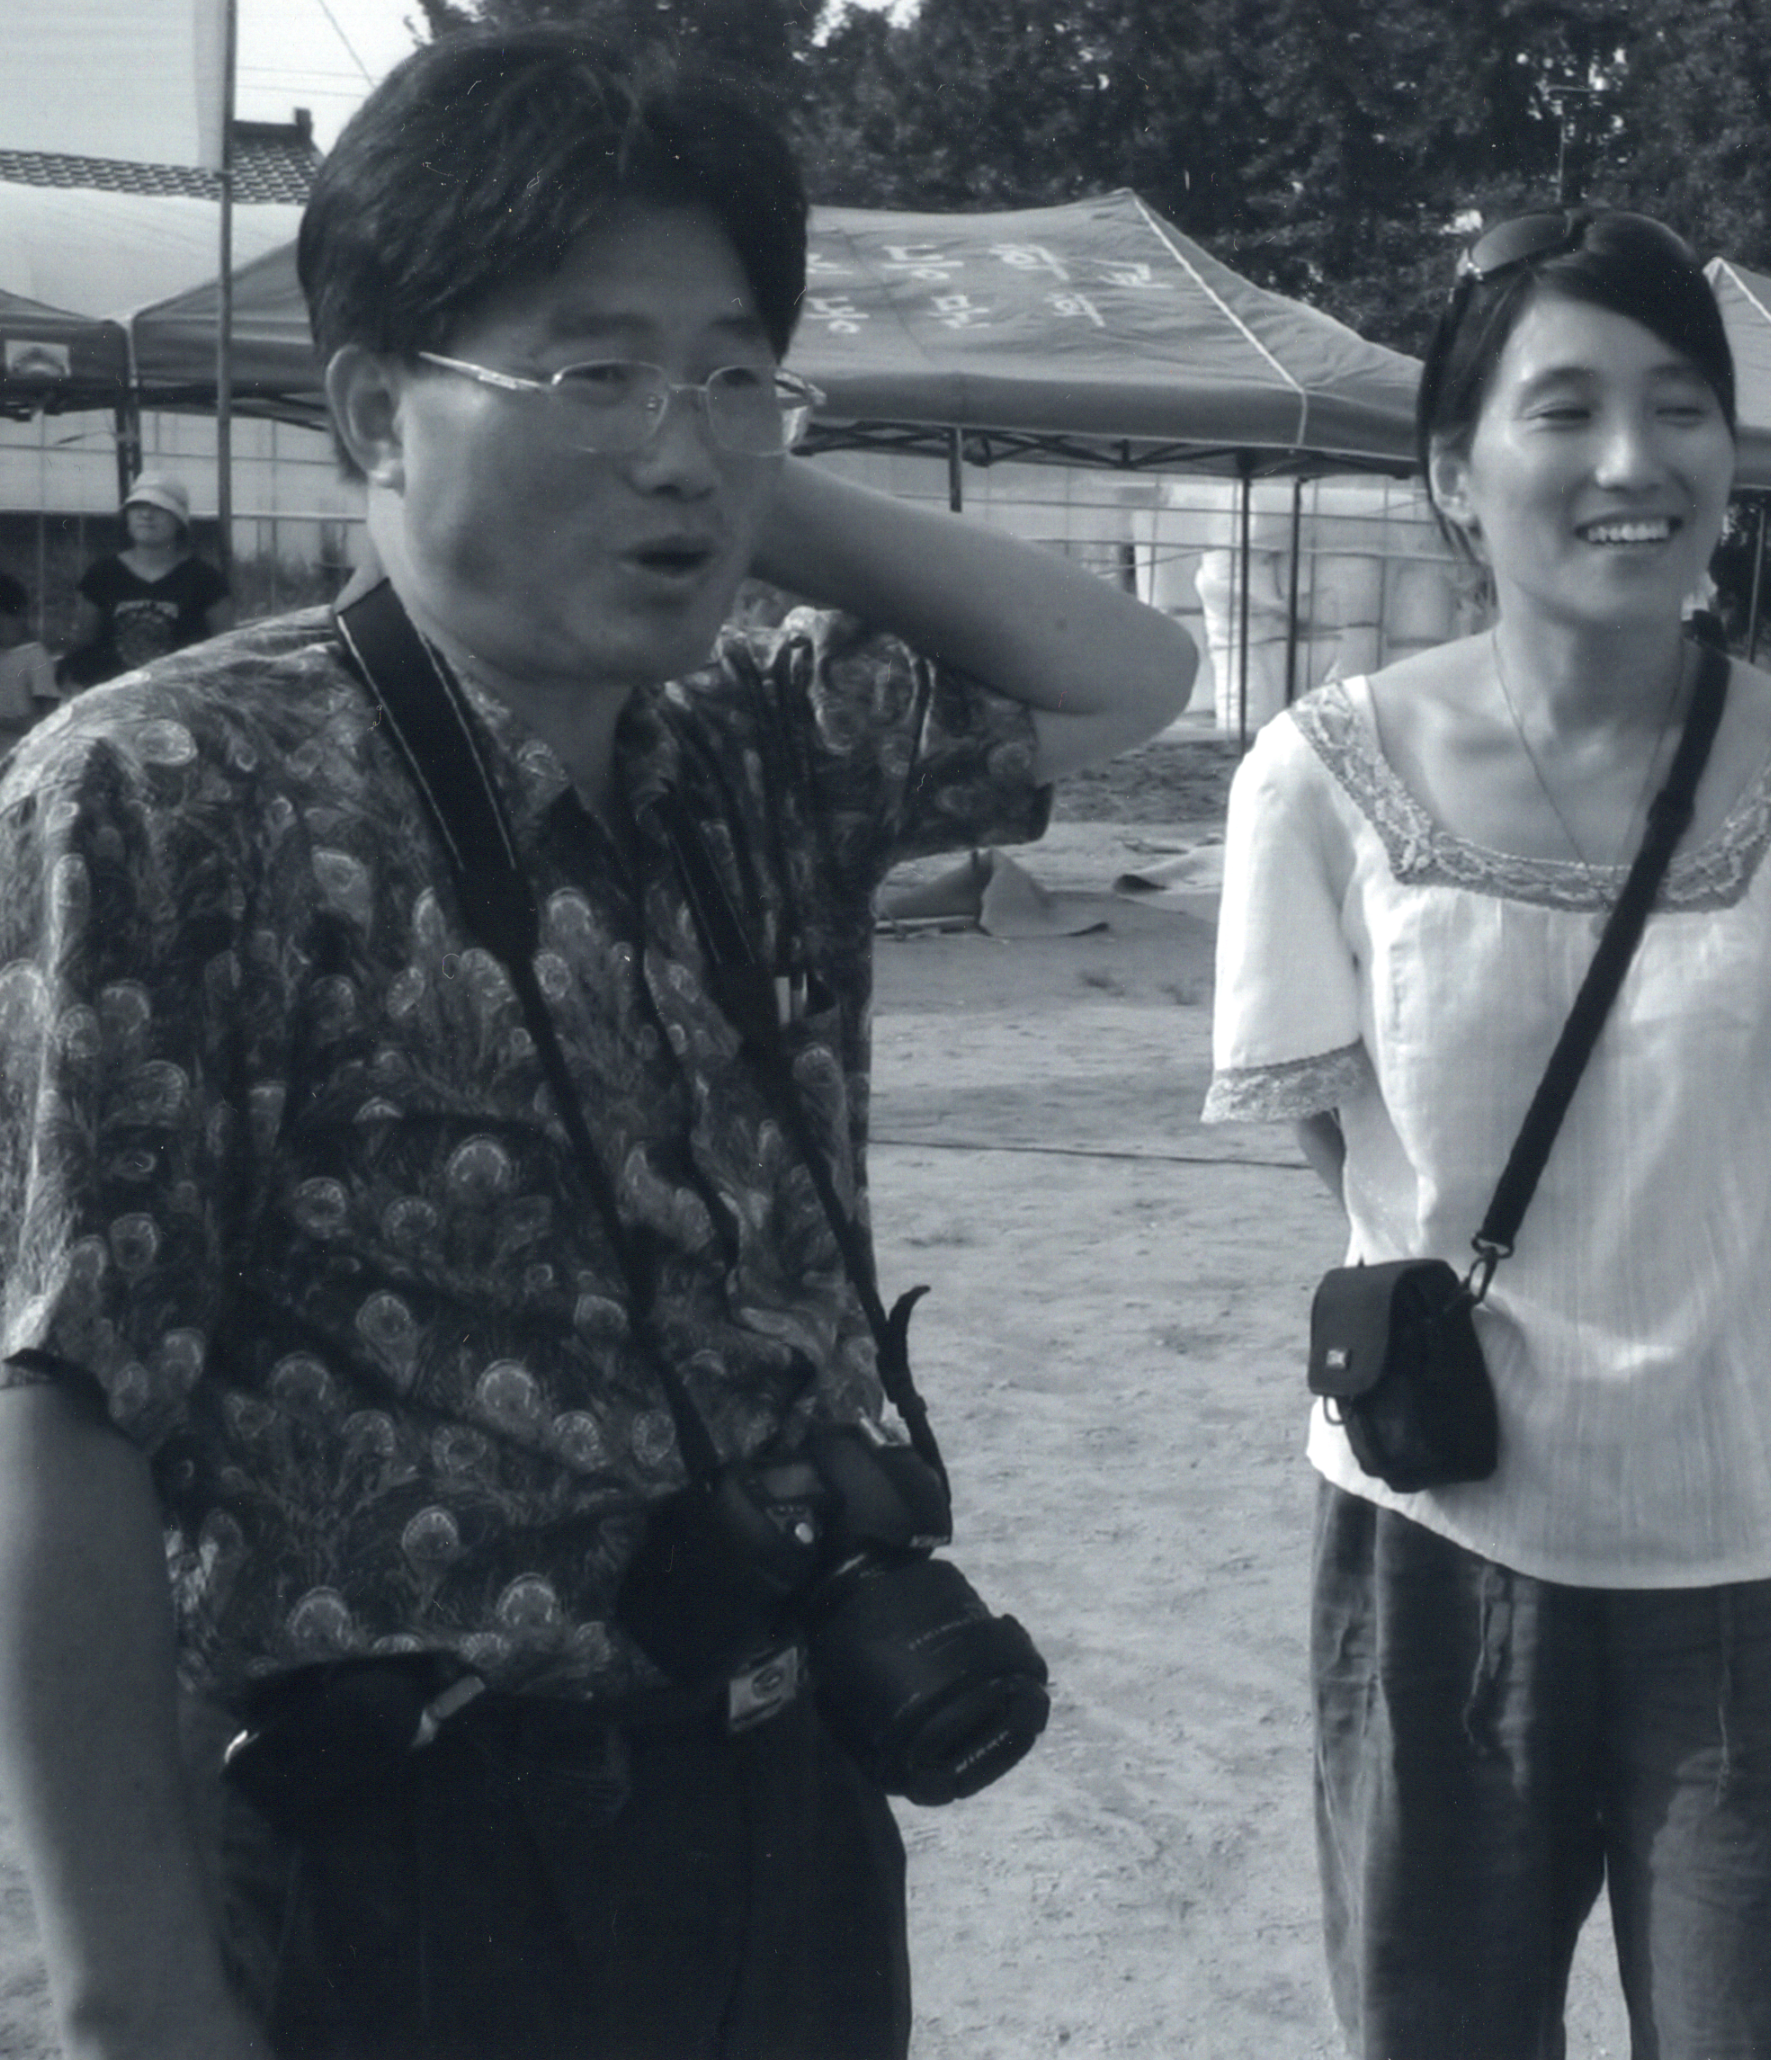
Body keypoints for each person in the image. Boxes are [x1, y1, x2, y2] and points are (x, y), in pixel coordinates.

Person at [0, 28, 1193, 2060]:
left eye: (735, 367)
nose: (683, 437)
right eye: (592, 367)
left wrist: (720, 471)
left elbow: (1123, 671)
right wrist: (131, 1997)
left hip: (782, 1802)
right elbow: (61, 1407)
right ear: (375, 409)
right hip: (408, 1872)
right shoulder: (178, 785)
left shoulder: (746, 749)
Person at [1205, 205, 1771, 2060]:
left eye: (1681, 406)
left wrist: (1682, 1281)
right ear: (1455, 475)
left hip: (1748, 1553)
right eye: (1565, 410)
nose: (1636, 462)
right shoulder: (1318, 779)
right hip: (1431, 1527)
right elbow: (1345, 1135)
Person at [61, 470, 231, 688]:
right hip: (112, 702)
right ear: (127, 517)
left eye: (159, 508)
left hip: (181, 700)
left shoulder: (205, 579)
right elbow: (82, 645)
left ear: (179, 520)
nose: (146, 515)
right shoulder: (102, 575)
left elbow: (226, 652)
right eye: (138, 507)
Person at [0, 572, 50, 745]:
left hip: (19, 757)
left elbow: (51, 722)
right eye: (16, 616)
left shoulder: (34, 655)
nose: (23, 623)